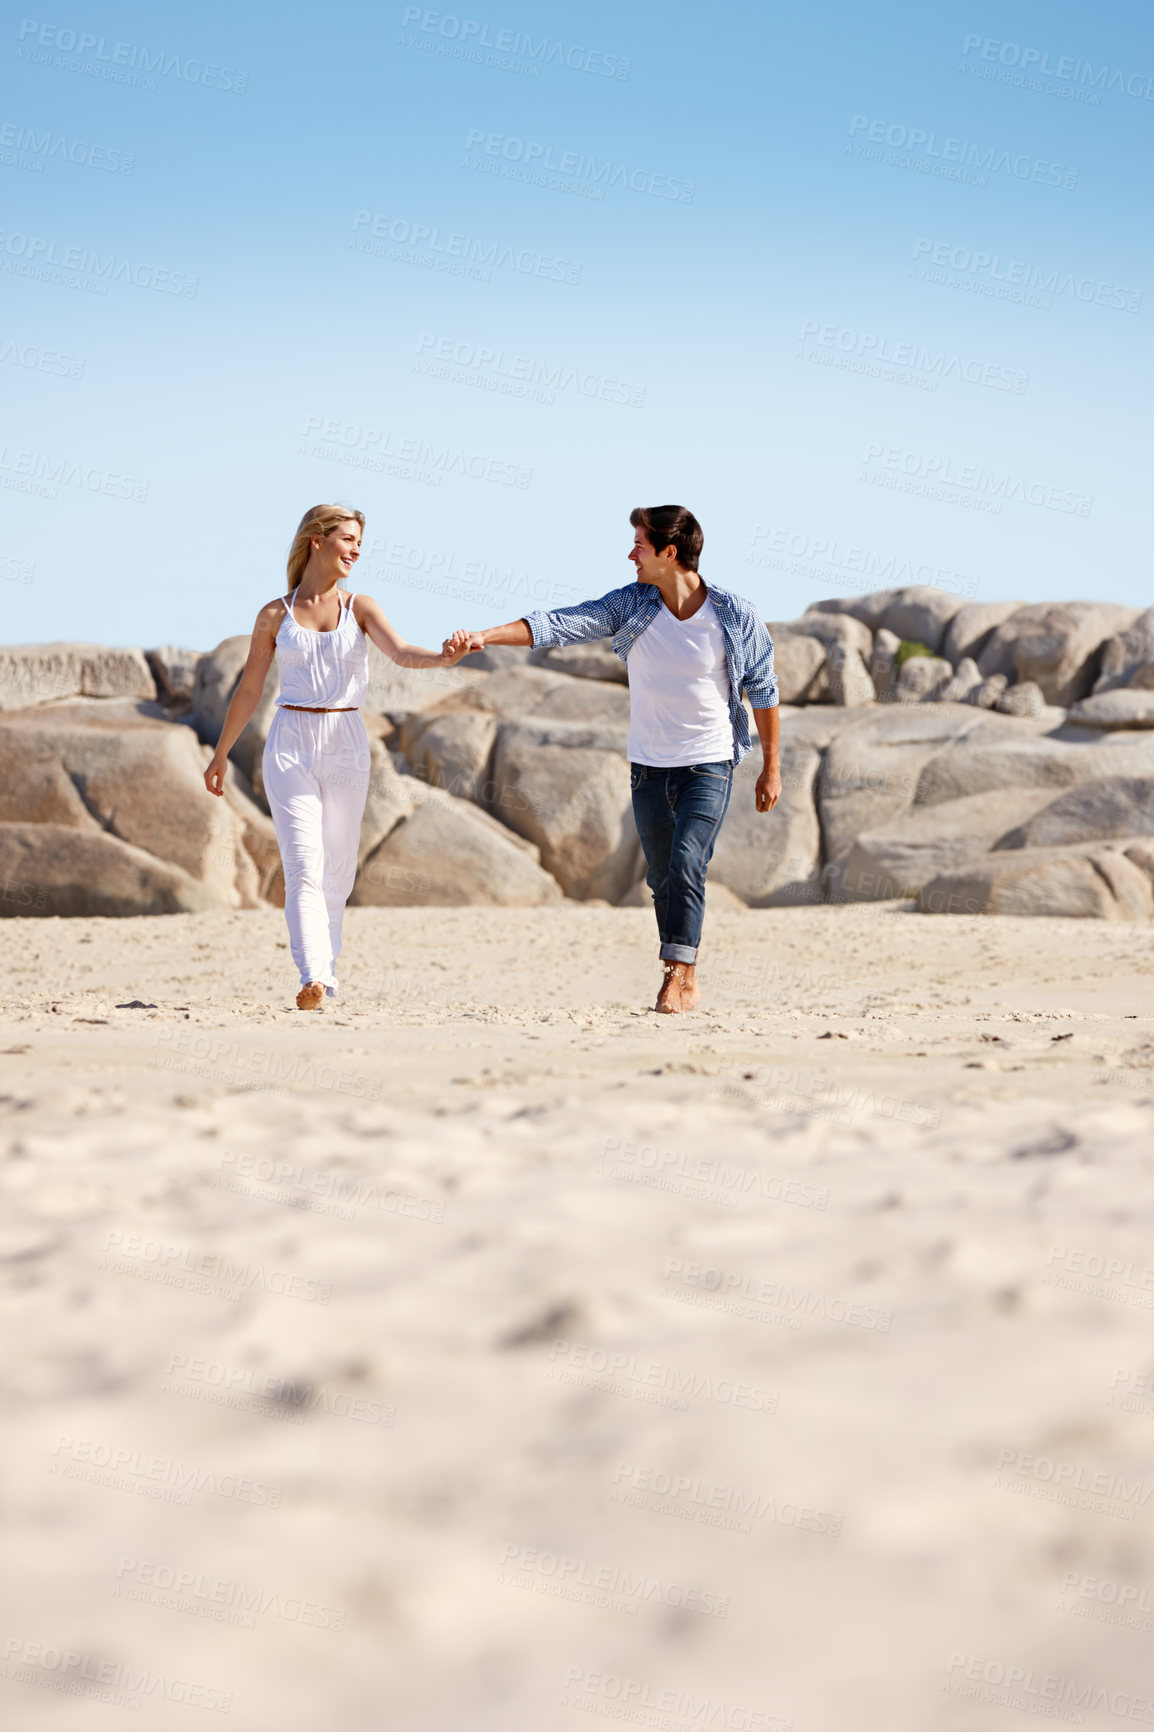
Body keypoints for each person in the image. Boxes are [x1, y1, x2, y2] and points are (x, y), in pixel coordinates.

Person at [446, 504, 780, 1014]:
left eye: (640, 546)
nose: (631, 555)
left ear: (670, 553)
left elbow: (764, 690)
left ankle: (679, 975)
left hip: (709, 762)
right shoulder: (633, 605)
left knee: (689, 859)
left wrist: (772, 768)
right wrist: (484, 637)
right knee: (662, 876)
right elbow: (562, 624)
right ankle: (681, 964)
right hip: (648, 763)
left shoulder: (733, 615)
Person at [204, 503, 469, 1009]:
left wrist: (443, 657)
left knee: (338, 869)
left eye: (359, 542)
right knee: (303, 864)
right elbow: (249, 689)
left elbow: (402, 653)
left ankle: (325, 967)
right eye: (347, 539)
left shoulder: (361, 607)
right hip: (290, 743)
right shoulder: (274, 614)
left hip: (346, 740)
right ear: (316, 541)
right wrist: (221, 754)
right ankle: (314, 975)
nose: (356, 550)